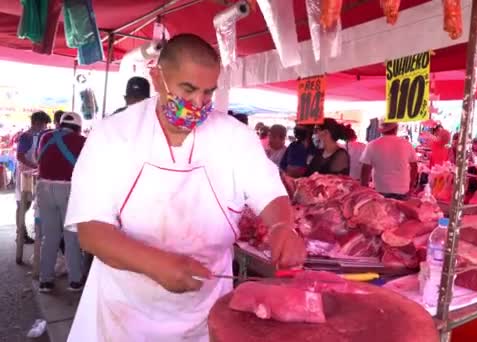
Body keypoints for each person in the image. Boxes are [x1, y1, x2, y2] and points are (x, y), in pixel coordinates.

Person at [64, 34, 306, 341]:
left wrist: (282, 226)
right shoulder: (112, 136)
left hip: (205, 310)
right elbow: (92, 231)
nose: (197, 104)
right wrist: (156, 264)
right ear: (157, 76)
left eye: (208, 93)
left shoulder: (235, 137)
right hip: (122, 312)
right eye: (188, 89)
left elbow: (269, 191)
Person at [36, 112, 87, 293]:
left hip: (43, 188)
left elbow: (38, 160)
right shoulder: (81, 142)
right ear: (78, 127)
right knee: (71, 236)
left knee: (49, 236)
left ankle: (45, 281)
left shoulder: (45, 137)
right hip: (67, 189)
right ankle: (75, 280)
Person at [15, 111, 51, 244]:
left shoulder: (38, 135)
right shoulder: (26, 137)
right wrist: (34, 165)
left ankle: (24, 233)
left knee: (29, 204)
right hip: (24, 174)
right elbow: (20, 156)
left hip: (33, 173)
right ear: (36, 123)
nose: (45, 127)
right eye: (43, 124)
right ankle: (21, 234)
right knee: (23, 204)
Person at [360, 122, 418, 200]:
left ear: (381, 130)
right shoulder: (406, 144)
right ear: (396, 129)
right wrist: (411, 186)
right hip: (402, 189)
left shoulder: (372, 144)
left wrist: (364, 187)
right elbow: (414, 167)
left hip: (380, 188)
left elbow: (366, 168)